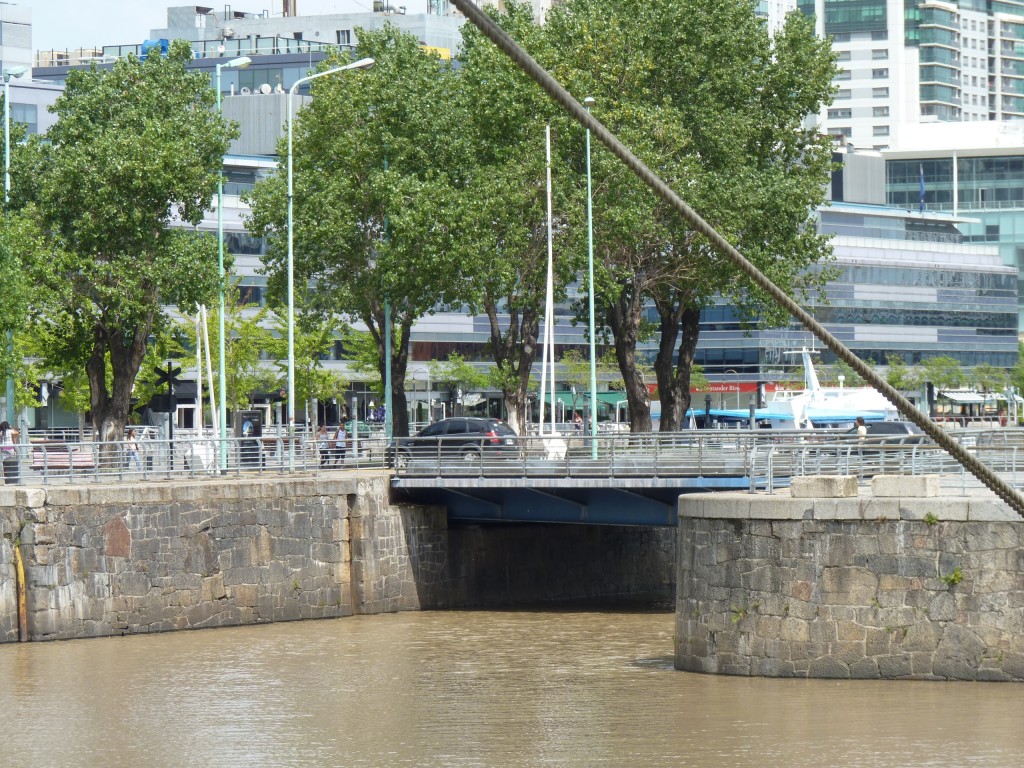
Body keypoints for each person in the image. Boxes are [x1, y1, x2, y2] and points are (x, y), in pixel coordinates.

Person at [0, 420, 19, 485]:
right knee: (11, 462)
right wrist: (11, 428)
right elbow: (17, 433)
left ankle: (4, 477)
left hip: (3, 448)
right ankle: (11, 475)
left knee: (3, 463)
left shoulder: (1, 432)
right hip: (10, 448)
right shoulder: (10, 431)